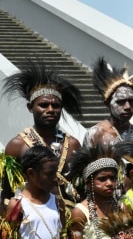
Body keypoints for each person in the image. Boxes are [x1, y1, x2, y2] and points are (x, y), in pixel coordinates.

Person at [2, 61, 82, 203]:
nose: (50, 110)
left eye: (56, 106)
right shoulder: (17, 145)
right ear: (30, 107)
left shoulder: (73, 145)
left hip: (68, 219)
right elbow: (7, 194)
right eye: (43, 105)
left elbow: (82, 189)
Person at [66, 144, 120, 239]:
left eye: (113, 178)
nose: (109, 183)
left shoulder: (121, 208)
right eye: (102, 179)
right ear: (89, 183)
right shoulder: (80, 212)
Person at [84, 57, 133, 148]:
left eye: (131, 101)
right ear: (107, 103)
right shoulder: (96, 134)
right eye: (121, 102)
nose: (127, 106)